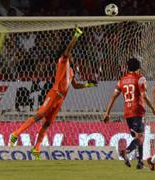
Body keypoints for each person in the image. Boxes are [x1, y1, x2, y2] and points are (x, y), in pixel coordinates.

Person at [9, 27, 97, 160]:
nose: (71, 56)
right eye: (69, 54)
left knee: (47, 123)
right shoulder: (62, 61)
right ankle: (15, 134)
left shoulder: (71, 71)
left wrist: (87, 84)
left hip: (60, 99)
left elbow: (75, 85)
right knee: (39, 115)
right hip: (54, 93)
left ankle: (36, 148)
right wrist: (76, 36)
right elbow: (67, 51)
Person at [103, 58, 155, 169]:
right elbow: (144, 96)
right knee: (140, 137)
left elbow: (113, 96)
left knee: (138, 137)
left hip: (127, 113)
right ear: (139, 67)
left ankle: (140, 162)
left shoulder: (122, 80)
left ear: (127, 67)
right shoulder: (140, 79)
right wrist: (153, 108)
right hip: (138, 111)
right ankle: (126, 151)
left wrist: (107, 113)